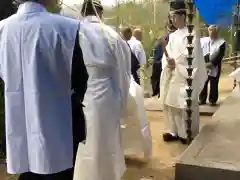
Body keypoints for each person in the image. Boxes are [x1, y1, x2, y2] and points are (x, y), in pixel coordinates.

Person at [0, 0, 88, 180]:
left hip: (18, 117)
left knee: (27, 170)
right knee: (58, 171)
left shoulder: (2, 29)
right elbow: (81, 79)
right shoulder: (68, 28)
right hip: (60, 122)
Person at [73, 1, 131, 180]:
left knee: (85, 136)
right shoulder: (110, 34)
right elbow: (123, 69)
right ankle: (108, 174)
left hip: (82, 92)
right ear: (100, 12)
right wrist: (123, 100)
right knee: (107, 136)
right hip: (106, 91)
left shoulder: (73, 32)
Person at [159, 0, 207, 144]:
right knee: (171, 104)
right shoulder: (172, 36)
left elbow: (192, 57)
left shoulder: (192, 34)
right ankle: (174, 131)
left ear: (183, 16)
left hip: (185, 76)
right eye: (171, 17)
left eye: (175, 16)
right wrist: (168, 62)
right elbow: (167, 56)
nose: (173, 20)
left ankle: (187, 132)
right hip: (173, 75)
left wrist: (176, 63)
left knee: (184, 105)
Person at [199, 25, 226, 106]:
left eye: (213, 31)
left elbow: (220, 55)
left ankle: (212, 100)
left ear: (216, 32)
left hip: (215, 66)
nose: (212, 33)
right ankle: (202, 99)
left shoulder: (221, 42)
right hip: (203, 64)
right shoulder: (203, 41)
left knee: (214, 84)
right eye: (210, 31)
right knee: (203, 83)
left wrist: (211, 64)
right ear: (208, 31)